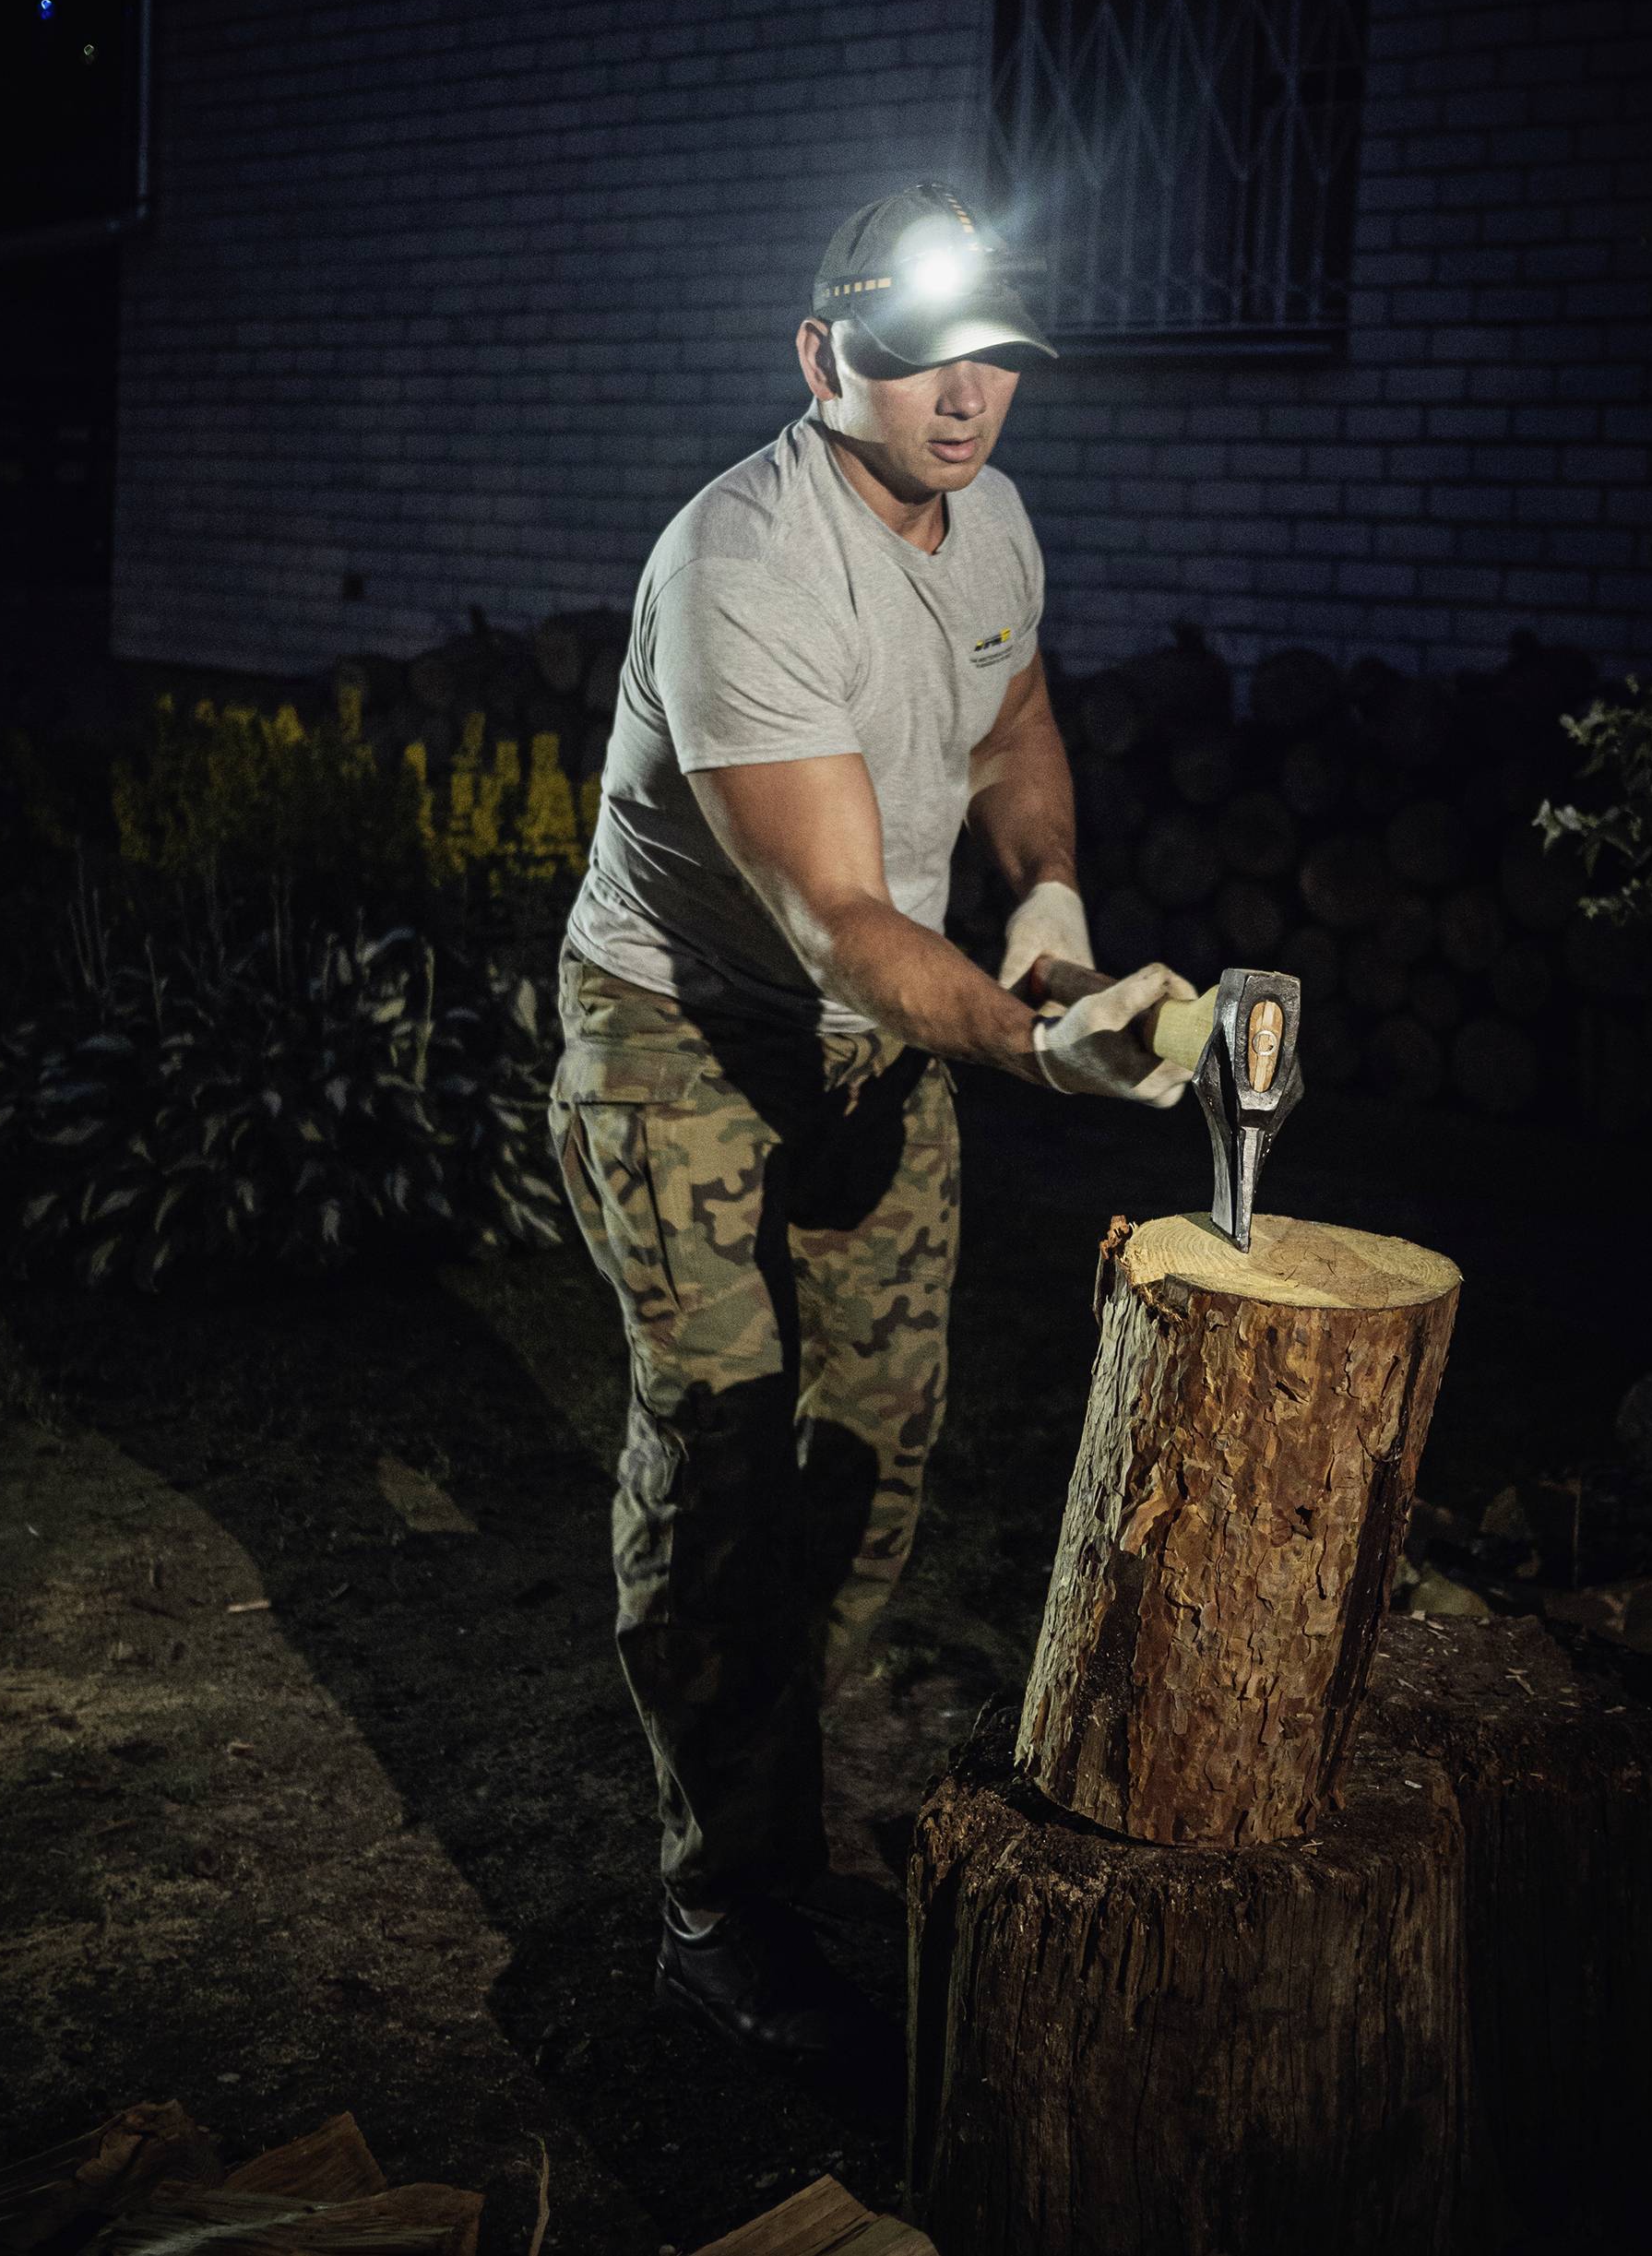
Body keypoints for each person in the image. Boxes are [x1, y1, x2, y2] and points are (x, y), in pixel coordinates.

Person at [548, 178, 1196, 2063]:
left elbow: (1009, 723)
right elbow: (835, 920)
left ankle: (784, 1776)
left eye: (994, 351)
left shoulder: (985, 516)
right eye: (916, 353)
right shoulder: (743, 563)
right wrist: (1031, 1046)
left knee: (877, 1442)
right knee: (729, 1445)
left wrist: (1051, 910)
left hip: (871, 1044)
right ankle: (721, 1901)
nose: (965, 390)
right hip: (683, 1034)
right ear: (824, 354)